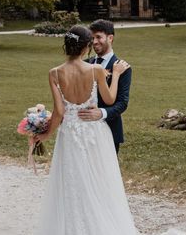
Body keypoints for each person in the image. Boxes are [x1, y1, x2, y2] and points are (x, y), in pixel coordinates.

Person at [34, 25, 139, 235]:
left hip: (70, 135)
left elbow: (59, 112)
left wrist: (44, 133)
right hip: (95, 134)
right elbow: (109, 100)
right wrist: (116, 75)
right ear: (86, 47)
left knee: (73, 183)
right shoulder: (95, 70)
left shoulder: (54, 73)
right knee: (100, 182)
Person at [77, 19, 132, 153]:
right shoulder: (84, 64)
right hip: (84, 129)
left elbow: (122, 103)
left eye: (98, 37)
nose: (94, 42)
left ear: (110, 38)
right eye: (92, 38)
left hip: (110, 129)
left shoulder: (122, 67)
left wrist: (101, 113)